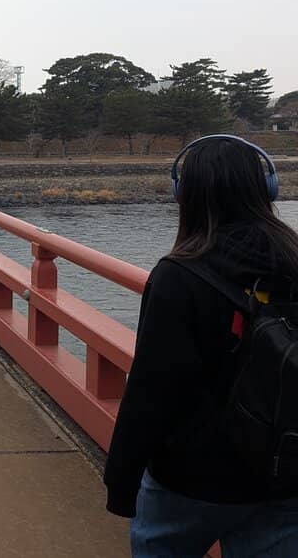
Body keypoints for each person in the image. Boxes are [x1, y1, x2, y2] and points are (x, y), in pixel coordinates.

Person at [104, 135, 298, 556]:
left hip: (194, 477)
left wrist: (121, 482)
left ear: (182, 194)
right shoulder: (293, 261)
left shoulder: (180, 275)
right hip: (284, 469)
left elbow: (152, 392)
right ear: (268, 188)